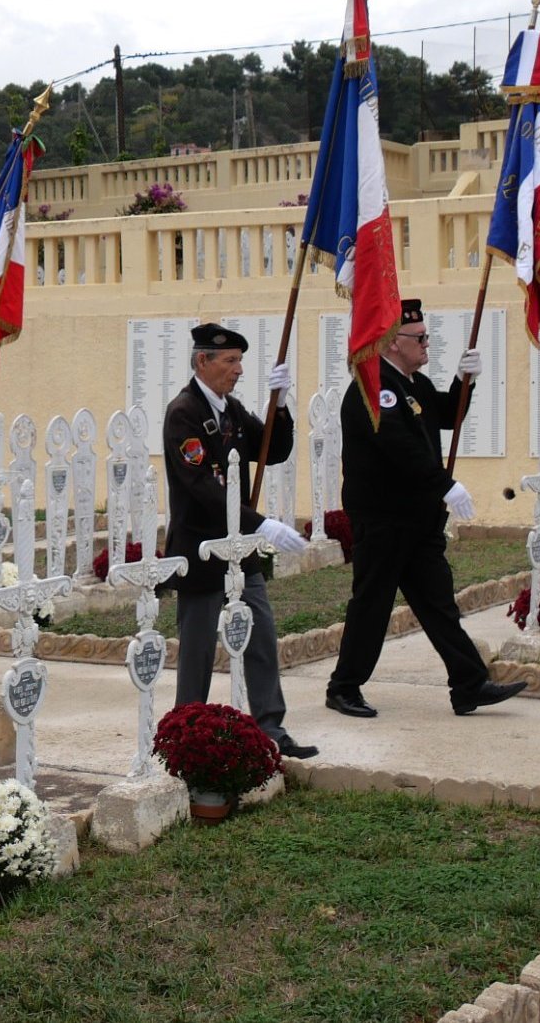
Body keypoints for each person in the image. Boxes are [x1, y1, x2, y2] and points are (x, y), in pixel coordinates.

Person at [322, 299, 525, 719]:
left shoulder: (412, 383)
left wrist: (463, 378)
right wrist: (444, 485)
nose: (426, 344)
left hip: (416, 520)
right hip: (383, 518)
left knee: (437, 603)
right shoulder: (373, 388)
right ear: (394, 342)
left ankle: (469, 684)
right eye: (420, 338)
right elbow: (398, 446)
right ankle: (343, 687)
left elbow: (447, 415)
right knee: (373, 604)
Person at [160, 323, 317, 759]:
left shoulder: (230, 410)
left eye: (240, 361)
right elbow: (201, 487)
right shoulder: (184, 413)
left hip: (240, 552)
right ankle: (185, 735)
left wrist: (280, 406)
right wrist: (261, 525)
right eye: (229, 361)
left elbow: (273, 449)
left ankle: (270, 728)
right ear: (202, 362)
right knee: (197, 652)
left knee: (261, 635)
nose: (238, 370)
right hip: (202, 551)